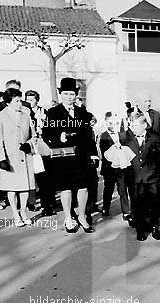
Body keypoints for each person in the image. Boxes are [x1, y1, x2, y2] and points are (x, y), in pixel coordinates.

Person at [41, 78, 99, 233]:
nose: (69, 96)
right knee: (66, 189)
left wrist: (93, 154)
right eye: (66, 93)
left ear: (76, 95)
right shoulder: (53, 112)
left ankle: (81, 216)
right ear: (61, 94)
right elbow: (46, 134)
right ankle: (68, 217)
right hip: (63, 156)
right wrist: (57, 138)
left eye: (72, 93)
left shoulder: (82, 112)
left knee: (83, 187)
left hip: (81, 155)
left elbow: (89, 135)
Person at [0, 88, 36, 227]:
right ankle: (15, 214)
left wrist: (29, 144)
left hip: (25, 156)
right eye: (16, 101)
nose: (20, 103)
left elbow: (34, 135)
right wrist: (1, 159)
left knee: (25, 187)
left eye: (20, 100)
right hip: (9, 158)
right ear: (7, 102)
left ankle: (23, 212)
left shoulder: (26, 115)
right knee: (12, 188)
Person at [120, 113, 160, 241]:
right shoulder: (125, 138)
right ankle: (141, 229)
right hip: (134, 178)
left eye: (136, 124)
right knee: (137, 204)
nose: (133, 127)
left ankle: (155, 225)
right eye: (131, 125)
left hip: (151, 177)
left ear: (144, 125)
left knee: (155, 202)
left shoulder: (154, 138)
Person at [24, 89, 55, 216]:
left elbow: (51, 128)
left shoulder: (44, 112)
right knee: (31, 176)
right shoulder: (24, 112)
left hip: (43, 145)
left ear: (37, 100)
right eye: (27, 100)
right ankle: (30, 202)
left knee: (44, 175)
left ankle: (47, 203)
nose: (29, 102)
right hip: (30, 145)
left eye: (32, 100)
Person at [98, 112, 134, 222]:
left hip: (121, 168)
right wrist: (115, 146)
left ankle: (126, 211)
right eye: (110, 122)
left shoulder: (122, 135)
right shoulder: (103, 136)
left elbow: (127, 148)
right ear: (106, 122)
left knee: (123, 189)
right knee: (108, 189)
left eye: (115, 123)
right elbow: (105, 152)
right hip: (109, 168)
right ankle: (105, 208)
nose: (113, 125)